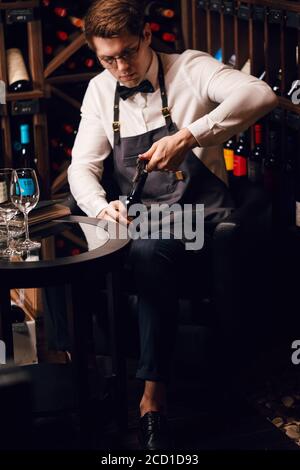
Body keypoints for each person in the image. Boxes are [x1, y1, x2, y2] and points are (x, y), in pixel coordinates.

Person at [68, 0, 278, 450]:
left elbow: (262, 96)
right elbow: (82, 167)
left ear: (147, 35)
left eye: (128, 52)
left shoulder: (191, 68)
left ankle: (151, 397)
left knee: (145, 250)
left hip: (202, 216)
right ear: (94, 54)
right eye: (108, 58)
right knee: (114, 252)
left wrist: (189, 136)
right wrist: (101, 205)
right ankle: (84, 387)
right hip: (143, 218)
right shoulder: (100, 90)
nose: (121, 67)